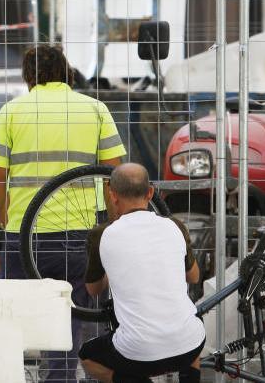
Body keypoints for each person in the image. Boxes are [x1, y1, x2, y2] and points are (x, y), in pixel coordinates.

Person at [0, 44, 125, 382]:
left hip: (22, 234)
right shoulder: (95, 109)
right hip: (78, 233)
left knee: (9, 314)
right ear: (67, 72)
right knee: (73, 314)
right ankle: (63, 378)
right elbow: (114, 174)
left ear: (28, 76)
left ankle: (8, 374)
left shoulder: (12, 111)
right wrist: (115, 225)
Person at [80, 164, 205, 383]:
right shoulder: (174, 225)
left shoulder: (102, 234)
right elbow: (194, 277)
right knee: (189, 322)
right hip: (190, 344)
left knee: (88, 357)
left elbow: (93, 288)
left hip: (137, 353)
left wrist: (115, 269)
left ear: (112, 195)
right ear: (150, 193)